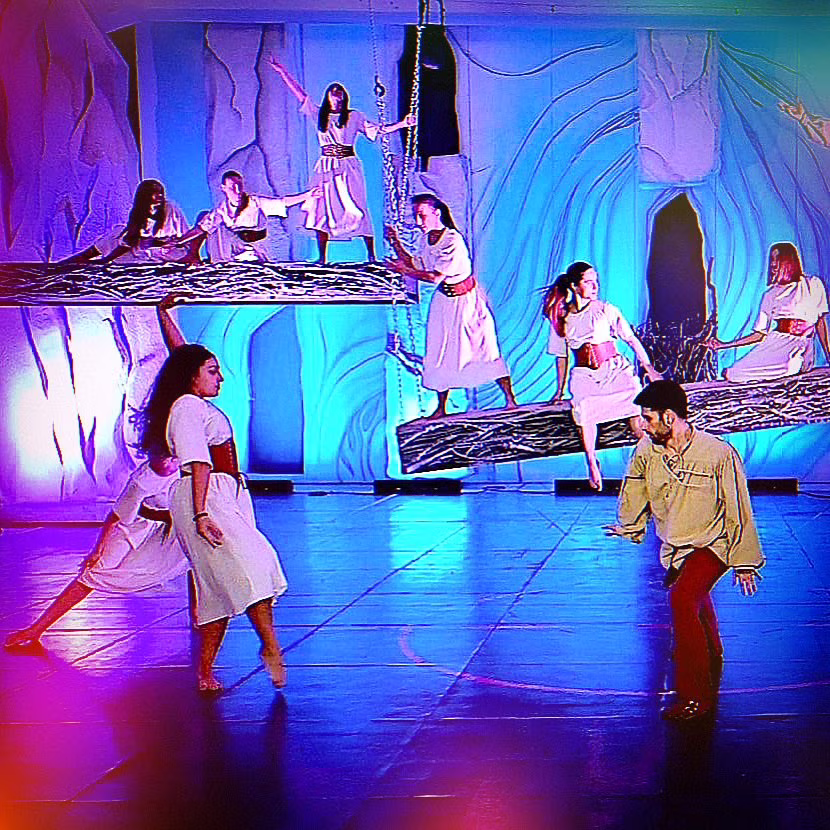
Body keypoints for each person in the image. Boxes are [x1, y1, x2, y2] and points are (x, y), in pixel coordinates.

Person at [4, 299, 191, 649]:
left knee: (203, 562)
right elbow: (118, 516)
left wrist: (164, 314)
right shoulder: (147, 476)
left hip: (179, 520)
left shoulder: (188, 416)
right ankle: (36, 630)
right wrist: (99, 548)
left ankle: (204, 629)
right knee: (94, 571)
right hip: (144, 521)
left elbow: (183, 357)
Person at [606, 380, 764, 721]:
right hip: (677, 545)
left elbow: (739, 508)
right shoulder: (647, 450)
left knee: (682, 598)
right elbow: (635, 490)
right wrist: (630, 526)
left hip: (714, 543)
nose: (643, 426)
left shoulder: (718, 453)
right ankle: (712, 650)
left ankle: (695, 697)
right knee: (692, 594)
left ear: (669, 416)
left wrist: (744, 561)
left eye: (648, 418)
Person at [139, 345, 288, 693]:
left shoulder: (194, 405)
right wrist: (202, 513)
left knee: (223, 584)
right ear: (191, 375)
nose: (220, 378)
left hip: (221, 494)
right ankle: (269, 645)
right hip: (206, 497)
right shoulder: (187, 406)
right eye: (212, 370)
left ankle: (206, 670)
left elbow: (182, 351)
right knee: (251, 569)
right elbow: (199, 462)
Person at [269, 57, 416, 263]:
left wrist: (402, 124)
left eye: (340, 93)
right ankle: (322, 257)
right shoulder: (319, 115)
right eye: (333, 93)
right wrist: (282, 71)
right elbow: (300, 95)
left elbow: (377, 130)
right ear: (328, 97)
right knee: (321, 208)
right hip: (326, 167)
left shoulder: (353, 117)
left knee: (357, 207)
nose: (336, 96)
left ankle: (371, 255)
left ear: (344, 97)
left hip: (348, 166)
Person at [384, 193, 518, 419]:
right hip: (444, 302)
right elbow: (415, 263)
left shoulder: (452, 240)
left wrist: (404, 271)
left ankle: (510, 399)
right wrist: (395, 242)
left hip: (467, 303)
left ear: (437, 213)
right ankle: (441, 407)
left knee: (485, 349)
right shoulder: (426, 239)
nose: (418, 221)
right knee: (440, 351)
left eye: (422, 215)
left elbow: (435, 276)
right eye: (416, 216)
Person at [543, 261, 661, 491]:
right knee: (584, 409)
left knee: (635, 405)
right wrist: (559, 391)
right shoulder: (562, 318)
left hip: (614, 369)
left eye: (596, 281)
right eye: (588, 282)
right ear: (575, 286)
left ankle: (654, 463)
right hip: (585, 374)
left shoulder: (606, 309)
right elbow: (561, 357)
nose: (595, 286)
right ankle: (592, 463)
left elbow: (631, 339)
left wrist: (649, 368)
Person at [707, 243, 830, 382]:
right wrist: (724, 345)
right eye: (771, 259)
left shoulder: (813, 284)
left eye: (777, 259)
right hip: (776, 343)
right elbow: (759, 334)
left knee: (790, 366)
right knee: (735, 372)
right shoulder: (771, 294)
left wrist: (828, 353)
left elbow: (820, 322)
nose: (773, 264)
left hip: (802, 346)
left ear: (789, 260)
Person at [170, 171, 315, 263]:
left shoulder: (256, 202)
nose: (238, 190)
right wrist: (179, 241)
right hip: (233, 246)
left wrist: (307, 195)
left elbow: (283, 202)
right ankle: (207, 259)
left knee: (252, 260)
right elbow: (202, 228)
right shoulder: (222, 209)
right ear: (224, 188)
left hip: (256, 245)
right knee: (209, 220)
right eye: (233, 187)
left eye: (239, 185)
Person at [63, 179, 202, 266]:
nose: (159, 196)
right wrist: (107, 260)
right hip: (143, 250)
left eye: (161, 192)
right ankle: (76, 260)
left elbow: (182, 236)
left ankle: (85, 260)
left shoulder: (170, 207)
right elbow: (130, 240)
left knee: (118, 236)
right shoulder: (139, 212)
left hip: (168, 252)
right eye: (155, 193)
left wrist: (161, 242)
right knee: (116, 234)